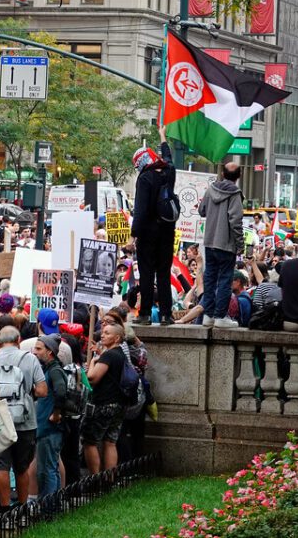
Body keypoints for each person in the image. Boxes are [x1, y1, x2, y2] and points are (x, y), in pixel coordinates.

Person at [0, 326, 46, 510]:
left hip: (0, 422)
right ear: (18, 339)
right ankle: (22, 509)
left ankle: (5, 510)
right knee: (22, 468)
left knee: (2, 467)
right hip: (26, 421)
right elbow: (42, 390)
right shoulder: (30, 359)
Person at [131, 127, 177, 326]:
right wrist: (162, 137)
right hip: (167, 231)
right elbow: (169, 158)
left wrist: (133, 236)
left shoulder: (145, 179)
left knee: (147, 272)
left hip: (148, 233)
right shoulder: (168, 171)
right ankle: (167, 314)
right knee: (164, 272)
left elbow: (140, 211)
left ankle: (146, 313)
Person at [198, 162, 244, 329]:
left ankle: (208, 315)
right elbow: (236, 221)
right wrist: (241, 244)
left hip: (210, 242)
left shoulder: (210, 190)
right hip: (226, 244)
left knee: (209, 278)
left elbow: (201, 210)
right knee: (225, 280)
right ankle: (219, 316)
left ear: (223, 174)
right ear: (239, 176)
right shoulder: (235, 194)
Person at [84, 324, 128, 474]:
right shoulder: (120, 354)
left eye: (107, 333)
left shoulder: (109, 355)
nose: (102, 335)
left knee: (90, 442)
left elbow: (92, 378)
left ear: (117, 338)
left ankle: (95, 479)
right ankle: (109, 479)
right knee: (110, 442)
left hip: (104, 403)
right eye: (103, 332)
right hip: (119, 404)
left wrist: (92, 363)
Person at [33, 335, 68, 497]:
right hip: (45, 428)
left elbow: (61, 392)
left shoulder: (55, 370)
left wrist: (56, 414)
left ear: (50, 352)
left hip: (50, 429)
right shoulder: (49, 369)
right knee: (45, 468)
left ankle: (50, 507)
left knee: (48, 469)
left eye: (39, 349)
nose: (35, 352)